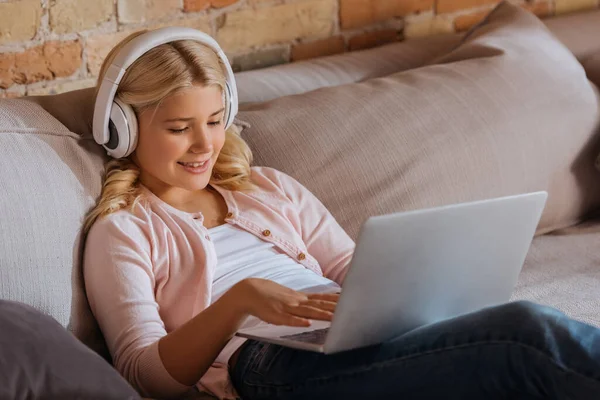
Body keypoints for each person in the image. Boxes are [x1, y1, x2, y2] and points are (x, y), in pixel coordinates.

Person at [82, 28, 600, 400]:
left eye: (216, 121)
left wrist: (418, 290)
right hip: (270, 364)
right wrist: (239, 302)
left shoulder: (271, 188)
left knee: (513, 360)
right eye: (178, 128)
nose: (204, 145)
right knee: (528, 333)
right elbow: (142, 373)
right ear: (123, 130)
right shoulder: (124, 230)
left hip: (353, 336)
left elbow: (356, 271)